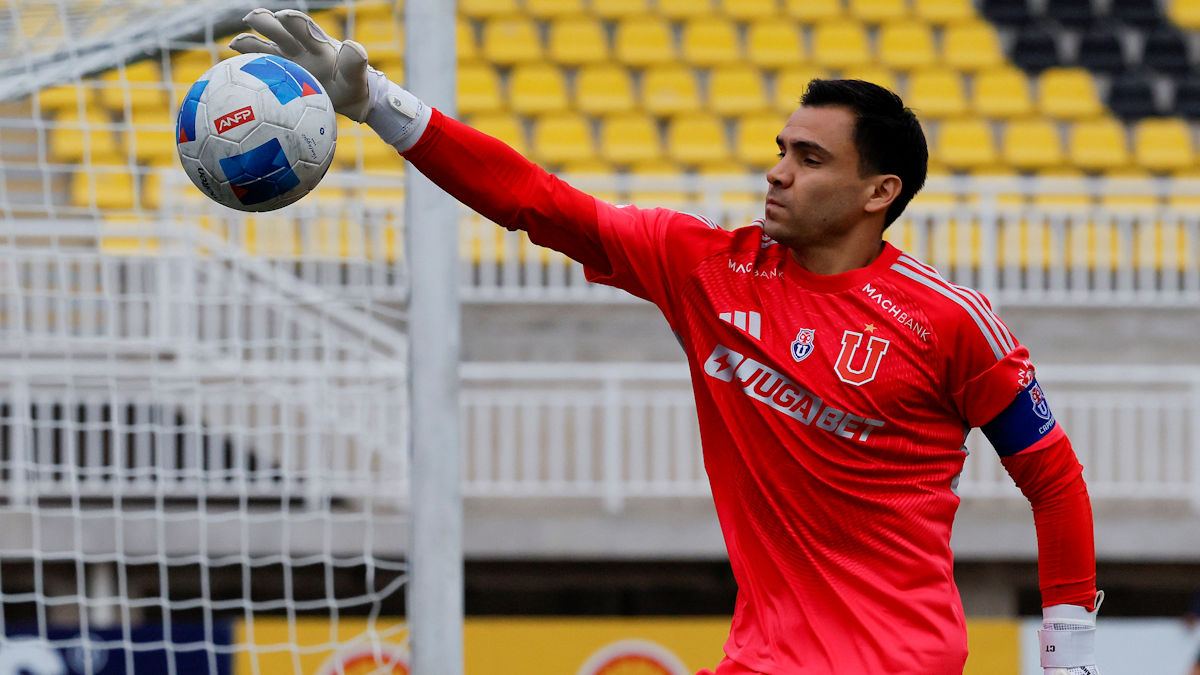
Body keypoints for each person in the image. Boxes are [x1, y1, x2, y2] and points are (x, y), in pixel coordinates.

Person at [231, 9, 1102, 674]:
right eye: (780, 149)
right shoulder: (706, 268)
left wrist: (1068, 653)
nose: (777, 170)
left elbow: (1053, 478)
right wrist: (376, 101)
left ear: (879, 192)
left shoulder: (947, 320)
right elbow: (537, 200)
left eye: (808, 157)